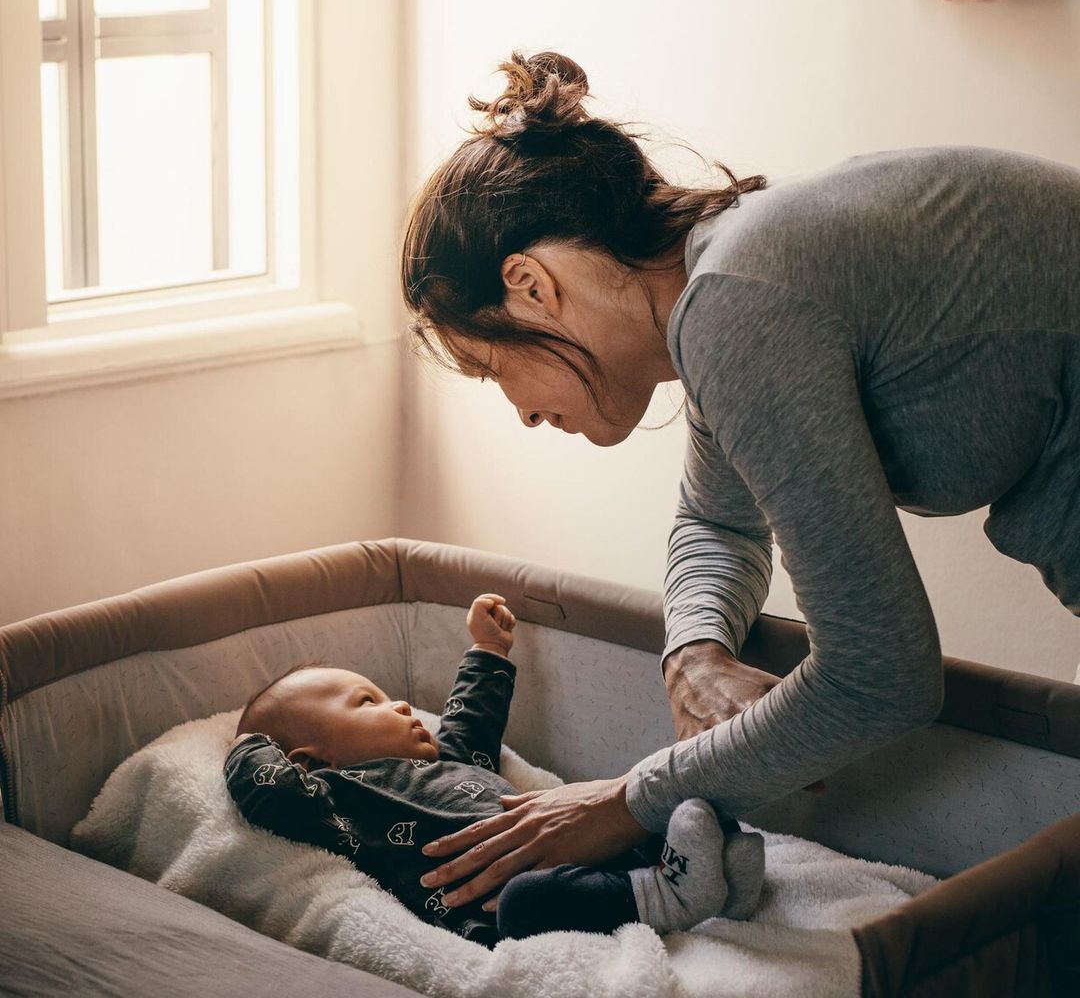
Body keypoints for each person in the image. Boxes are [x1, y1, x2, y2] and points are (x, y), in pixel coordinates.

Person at [399, 49, 1080, 910]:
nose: (525, 414)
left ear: (531, 287)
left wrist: (624, 801)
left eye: (495, 370)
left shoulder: (738, 307)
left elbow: (885, 675)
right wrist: (694, 653)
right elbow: (716, 525)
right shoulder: (725, 284)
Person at [223, 593, 766, 948]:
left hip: (572, 839)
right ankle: (669, 895)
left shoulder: (448, 761)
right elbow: (271, 794)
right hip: (502, 902)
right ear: (312, 761)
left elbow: (472, 724)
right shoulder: (337, 800)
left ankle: (713, 875)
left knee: (642, 806)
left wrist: (487, 647)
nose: (402, 707)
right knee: (528, 901)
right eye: (369, 703)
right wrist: (248, 744)